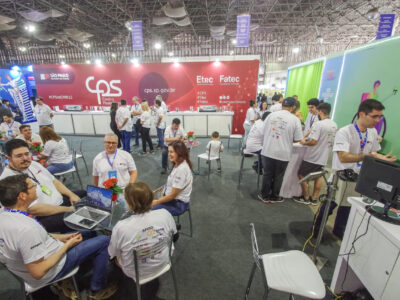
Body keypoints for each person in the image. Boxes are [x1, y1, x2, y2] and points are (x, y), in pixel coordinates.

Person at [0, 174, 117, 299]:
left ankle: (84, 270)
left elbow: (36, 238)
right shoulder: (26, 229)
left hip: (42, 252)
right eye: (33, 186)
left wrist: (61, 238)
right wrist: (67, 245)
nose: (36, 188)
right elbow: (38, 272)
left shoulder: (6, 215)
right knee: (105, 240)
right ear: (22, 196)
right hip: (51, 270)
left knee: (87, 232)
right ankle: (97, 289)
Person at [108, 182, 177, 299]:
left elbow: (112, 253)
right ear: (151, 198)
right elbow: (174, 234)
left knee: (114, 259)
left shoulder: (121, 227)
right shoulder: (165, 214)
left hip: (135, 272)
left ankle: (120, 288)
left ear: (130, 204)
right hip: (164, 261)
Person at [0, 139, 85, 233]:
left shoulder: (33, 164)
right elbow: (34, 209)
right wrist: (68, 209)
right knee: (78, 217)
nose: (25, 158)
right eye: (19, 156)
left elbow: (54, 181)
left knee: (84, 194)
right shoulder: (8, 181)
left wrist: (71, 194)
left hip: (59, 201)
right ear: (9, 158)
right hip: (44, 215)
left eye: (27, 154)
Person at [258, 97, 303, 203]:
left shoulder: (271, 115)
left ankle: (264, 195)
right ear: (293, 107)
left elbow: (263, 130)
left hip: (268, 150)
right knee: (278, 176)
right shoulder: (295, 120)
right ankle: (274, 196)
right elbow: (298, 139)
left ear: (282, 105)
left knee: (267, 174)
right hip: (283, 153)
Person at [295, 103, 337, 205]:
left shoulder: (319, 124)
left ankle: (305, 197)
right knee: (318, 176)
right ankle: (314, 199)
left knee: (301, 175)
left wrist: (304, 142)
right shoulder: (334, 124)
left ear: (321, 111)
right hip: (323, 156)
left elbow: (313, 142)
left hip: (312, 156)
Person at [153, 141, 193, 216]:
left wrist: (156, 202)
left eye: (171, 152)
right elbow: (170, 184)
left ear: (179, 152)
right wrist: (155, 192)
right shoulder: (178, 163)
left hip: (178, 204)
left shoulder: (181, 169)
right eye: (168, 151)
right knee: (146, 199)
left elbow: (172, 195)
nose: (169, 154)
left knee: (148, 210)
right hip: (172, 198)